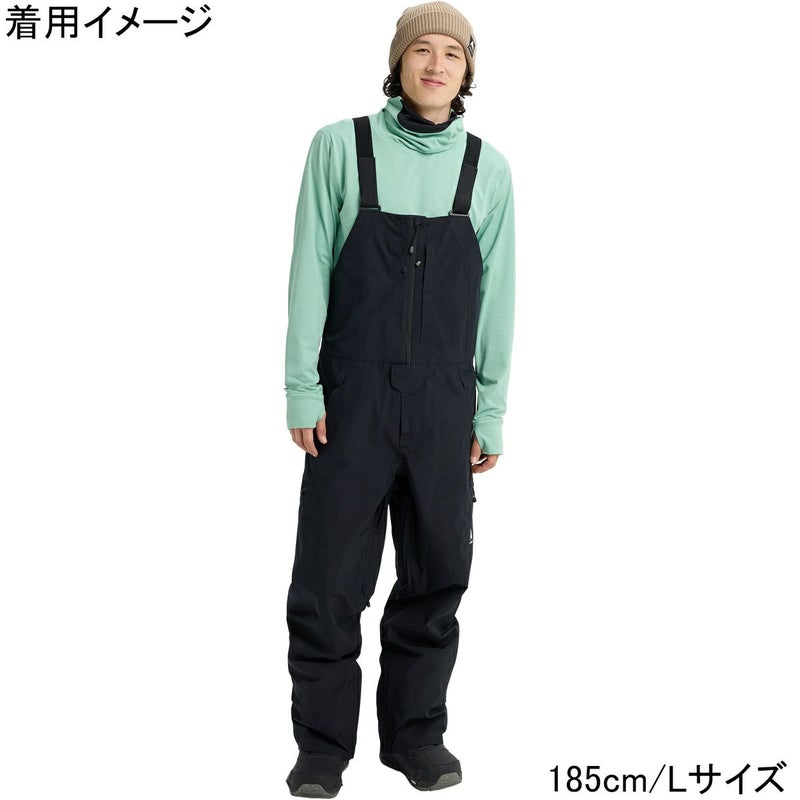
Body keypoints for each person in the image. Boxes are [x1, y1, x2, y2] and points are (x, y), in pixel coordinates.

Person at [283, 2, 515, 796]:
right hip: (351, 401)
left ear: (468, 70)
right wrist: (301, 387)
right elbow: (310, 268)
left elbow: (499, 297)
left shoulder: (488, 169)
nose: (436, 63)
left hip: (446, 403)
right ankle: (322, 750)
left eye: (453, 52)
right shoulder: (339, 147)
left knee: (437, 576)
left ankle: (417, 739)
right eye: (422, 49)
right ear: (399, 62)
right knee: (327, 582)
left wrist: (489, 408)